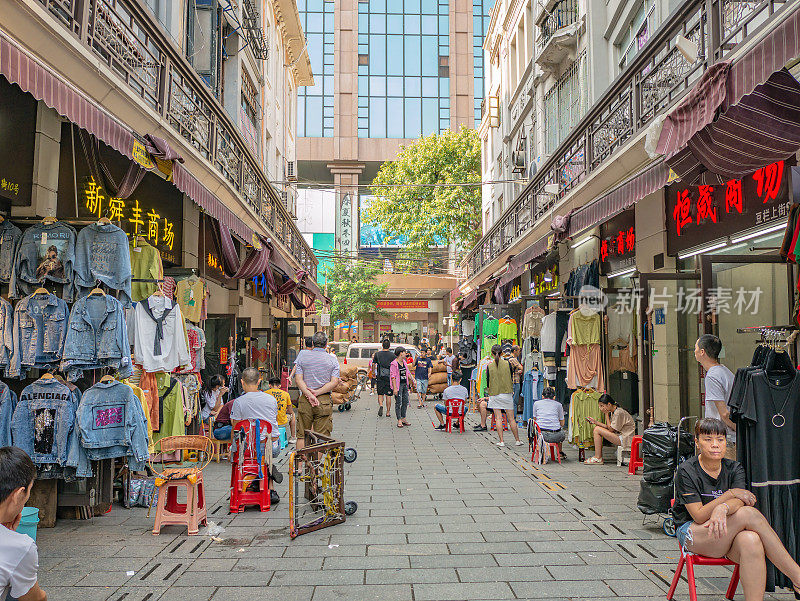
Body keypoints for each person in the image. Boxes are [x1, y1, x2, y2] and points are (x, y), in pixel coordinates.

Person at [672, 418, 800, 600]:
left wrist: (722, 508)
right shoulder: (687, 471)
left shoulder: (734, 468)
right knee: (748, 514)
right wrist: (728, 495)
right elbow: (699, 515)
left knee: (751, 539)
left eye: (720, 439)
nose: (715, 445)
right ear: (697, 442)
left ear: (726, 442)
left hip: (726, 533)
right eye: (708, 439)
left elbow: (742, 502)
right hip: (696, 533)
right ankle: (797, 577)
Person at [0, 447, 47, 601]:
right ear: (19, 494)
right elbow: (35, 599)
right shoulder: (20, 546)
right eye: (29, 492)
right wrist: (12, 538)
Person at [230, 367, 282, 502]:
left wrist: (233, 449)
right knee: (265, 455)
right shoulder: (271, 399)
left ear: (242, 382)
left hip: (248, 449)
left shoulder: (238, 402)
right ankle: (270, 487)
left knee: (250, 452)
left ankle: (254, 482)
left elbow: (235, 428)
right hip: (272, 446)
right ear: (259, 381)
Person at [294, 331, 341, 450]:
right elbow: (334, 382)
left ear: (313, 343)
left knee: (302, 435)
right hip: (324, 400)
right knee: (321, 436)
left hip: (305, 399)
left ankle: (299, 467)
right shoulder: (332, 360)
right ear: (326, 344)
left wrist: (309, 394)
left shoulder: (302, 355)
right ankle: (315, 467)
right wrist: (317, 393)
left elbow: (298, 379)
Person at [695, 334, 736, 459]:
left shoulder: (713, 376)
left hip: (721, 439)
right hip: (726, 437)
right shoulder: (724, 371)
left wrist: (737, 429)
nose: (694, 351)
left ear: (702, 352)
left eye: (695, 348)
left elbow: (724, 413)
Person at [480, 344, 523, 447]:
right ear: (502, 353)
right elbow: (514, 373)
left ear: (491, 353)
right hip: (507, 393)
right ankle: (517, 440)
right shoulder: (508, 364)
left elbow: (488, 381)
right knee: (511, 419)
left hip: (494, 394)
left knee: (498, 418)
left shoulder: (489, 366)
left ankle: (502, 441)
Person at [584, 394, 635, 465]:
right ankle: (598, 457)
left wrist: (606, 414)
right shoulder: (614, 411)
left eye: (602, 406)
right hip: (620, 436)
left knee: (597, 430)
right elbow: (610, 427)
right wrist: (595, 422)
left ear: (609, 404)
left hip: (625, 439)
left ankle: (598, 457)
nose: (600, 408)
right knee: (597, 429)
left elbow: (611, 429)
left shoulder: (618, 412)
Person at [532, 386, 567, 460]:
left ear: (542, 396)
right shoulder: (558, 405)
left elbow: (535, 419)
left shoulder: (536, 404)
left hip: (541, 435)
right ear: (554, 397)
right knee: (560, 429)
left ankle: (542, 451)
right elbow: (562, 423)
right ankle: (560, 453)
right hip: (556, 436)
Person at [433, 362, 468, 429]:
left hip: (449, 411)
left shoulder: (446, 390)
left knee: (436, 406)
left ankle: (442, 424)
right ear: (460, 379)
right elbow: (465, 401)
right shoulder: (464, 389)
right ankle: (457, 423)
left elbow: (446, 403)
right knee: (465, 408)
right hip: (460, 410)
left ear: (451, 379)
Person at [265, 376, 297, 444]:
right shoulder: (286, 394)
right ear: (279, 385)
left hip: (268, 422)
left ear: (269, 385)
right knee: (293, 415)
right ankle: (293, 437)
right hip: (282, 422)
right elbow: (290, 411)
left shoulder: (265, 393)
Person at [390, 346, 416, 428]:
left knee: (405, 401)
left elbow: (407, 372)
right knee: (398, 402)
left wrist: (413, 380)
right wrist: (395, 388)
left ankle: (404, 418)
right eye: (405, 352)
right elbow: (393, 376)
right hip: (398, 385)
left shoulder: (404, 362)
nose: (406, 354)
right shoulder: (394, 364)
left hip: (405, 384)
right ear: (401, 353)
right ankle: (399, 420)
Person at [373, 340, 396, 418]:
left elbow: (373, 364)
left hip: (380, 377)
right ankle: (388, 412)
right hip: (389, 378)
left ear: (382, 345)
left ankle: (381, 405)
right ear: (389, 346)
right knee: (388, 395)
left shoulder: (377, 354)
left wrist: (373, 373)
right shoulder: (393, 355)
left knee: (380, 394)